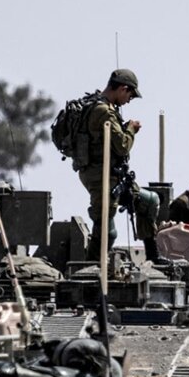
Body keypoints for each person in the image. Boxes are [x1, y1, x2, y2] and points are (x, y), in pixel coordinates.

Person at [77, 69, 159, 261]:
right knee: (106, 230)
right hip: (101, 177)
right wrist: (130, 129)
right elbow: (122, 146)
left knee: (149, 201)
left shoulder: (102, 107)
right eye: (130, 95)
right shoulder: (103, 111)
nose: (129, 100)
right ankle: (91, 269)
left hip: (113, 176)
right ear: (123, 89)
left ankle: (154, 257)